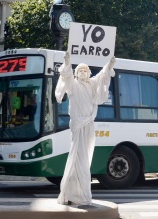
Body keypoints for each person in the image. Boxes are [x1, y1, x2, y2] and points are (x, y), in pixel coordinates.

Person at [55, 51, 115, 206]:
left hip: (89, 124)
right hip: (77, 124)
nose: (82, 72)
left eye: (85, 71)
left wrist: (110, 65)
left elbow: (103, 75)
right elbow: (66, 77)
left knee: (85, 158)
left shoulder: (93, 84)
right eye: (80, 70)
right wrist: (67, 63)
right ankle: (69, 193)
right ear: (77, 73)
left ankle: (80, 194)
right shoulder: (74, 85)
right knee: (76, 157)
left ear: (88, 73)